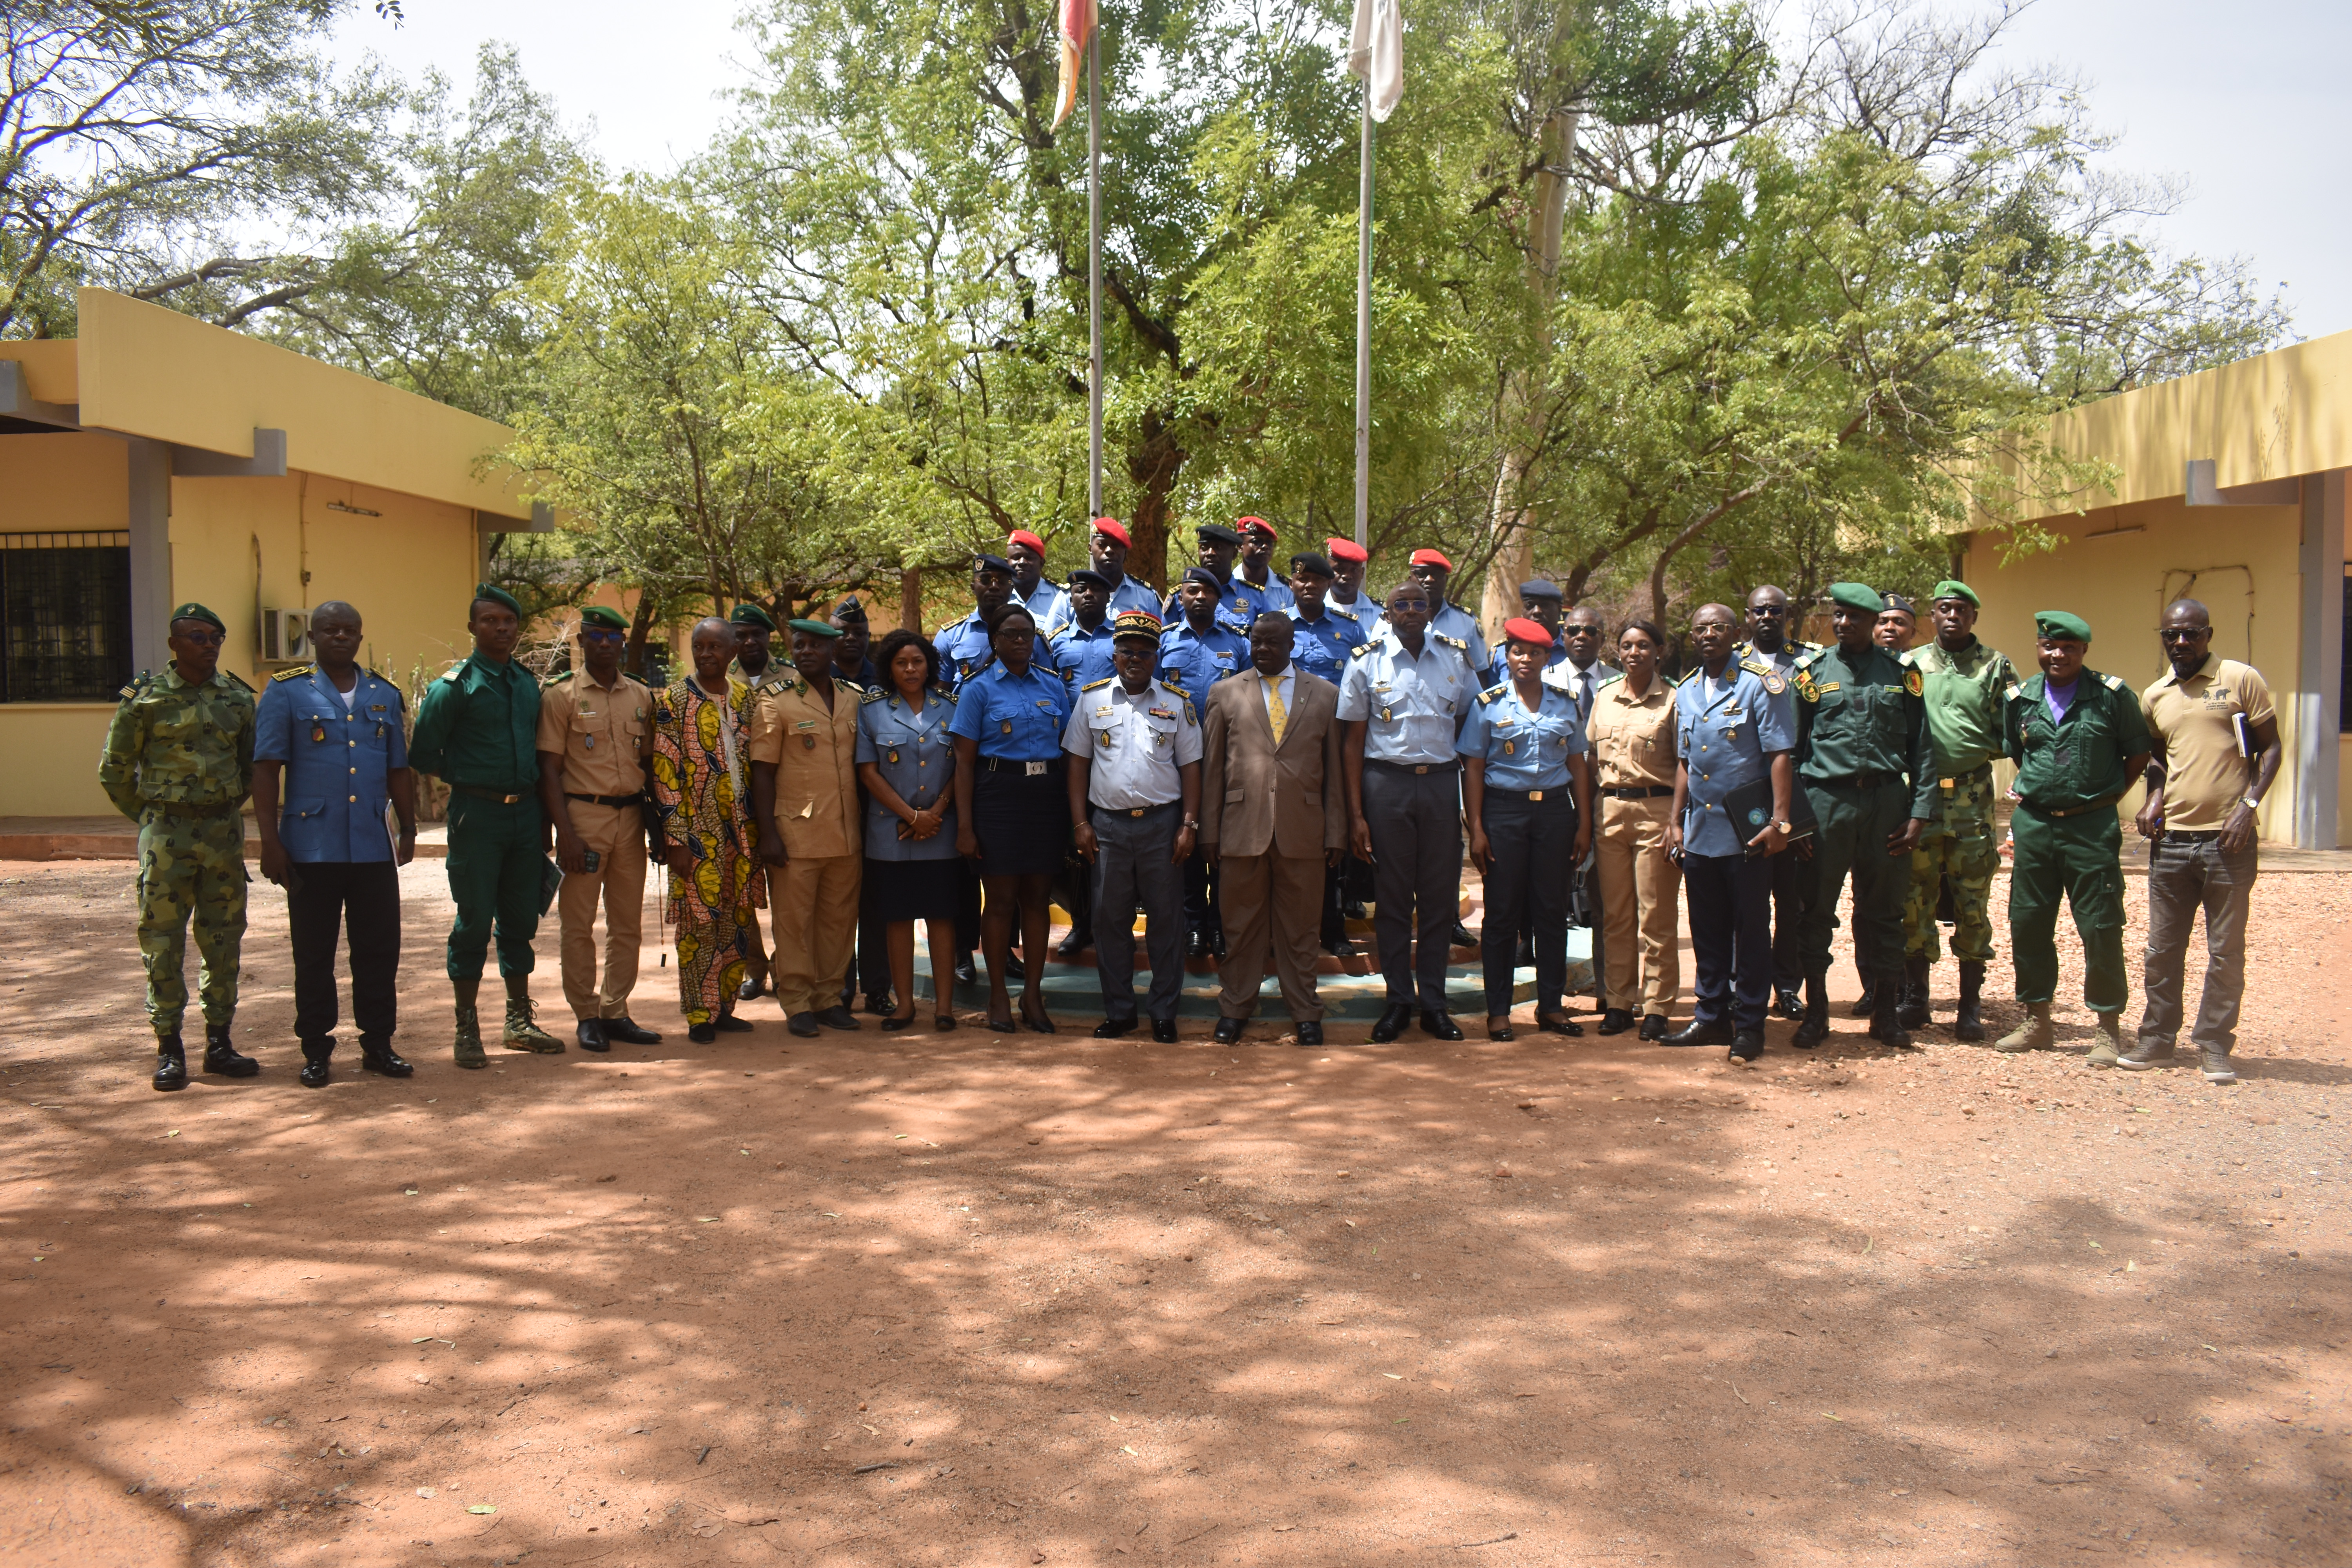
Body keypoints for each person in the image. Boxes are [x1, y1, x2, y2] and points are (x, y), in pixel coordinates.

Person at [252, 600, 418, 1085]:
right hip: (311, 846)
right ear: (314, 635)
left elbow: (397, 770)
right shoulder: (286, 693)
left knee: (378, 950)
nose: (341, 637)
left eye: (350, 630)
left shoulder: (383, 694)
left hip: (372, 846)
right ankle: (316, 1049)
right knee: (314, 952)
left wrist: (408, 829)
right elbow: (266, 769)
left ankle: (379, 1044)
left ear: (360, 638)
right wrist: (269, 841)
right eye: (330, 629)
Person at [101, 602, 259, 1091]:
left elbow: (251, 767)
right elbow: (114, 770)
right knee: (163, 942)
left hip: (222, 834)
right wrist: (152, 817)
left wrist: (221, 808)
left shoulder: (237, 698)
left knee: (224, 939)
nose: (209, 645)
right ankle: (169, 1048)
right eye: (197, 636)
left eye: (215, 637)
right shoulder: (144, 699)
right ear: (174, 644)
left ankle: (219, 1044)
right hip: (167, 837)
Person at [2125, 598, 2279, 1084]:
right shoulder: (2155, 695)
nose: (2181, 643)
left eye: (2191, 634)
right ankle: (2157, 1039)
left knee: (2225, 950)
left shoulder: (2239, 679)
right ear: (2164, 637)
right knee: (2162, 949)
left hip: (2228, 843)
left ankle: (2214, 1045)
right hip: (2171, 843)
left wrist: (2248, 809)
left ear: (2208, 634)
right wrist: (2153, 800)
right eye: (2172, 634)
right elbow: (2157, 758)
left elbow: (2272, 747)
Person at [410, 584, 561, 1066]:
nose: (501, 628)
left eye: (509, 621)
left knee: (520, 919)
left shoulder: (524, 683)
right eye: (491, 621)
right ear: (473, 627)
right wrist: (470, 776)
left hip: (525, 813)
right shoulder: (454, 687)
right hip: (478, 815)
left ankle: (518, 1021)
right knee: (475, 919)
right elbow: (424, 754)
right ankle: (466, 1027)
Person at [1995, 611, 2152, 1065]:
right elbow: (2020, 752)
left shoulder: (2111, 697)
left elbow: (2137, 753)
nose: (2057, 655)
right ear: (2039, 648)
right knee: (2028, 922)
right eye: (2049, 646)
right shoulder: (2020, 698)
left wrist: (2103, 797)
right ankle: (2037, 1020)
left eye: (2068, 648)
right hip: (2036, 824)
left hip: (2091, 827)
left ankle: (2106, 1028)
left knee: (2100, 925)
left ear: (2084, 651)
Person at [1789, 582, 1937, 1049]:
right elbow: (1790, 754)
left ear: (1875, 622)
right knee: (1815, 912)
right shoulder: (1810, 674)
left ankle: (1885, 1015)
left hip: (1886, 804)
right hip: (1826, 804)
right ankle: (1816, 1014)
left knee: (1886, 913)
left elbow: (1923, 749)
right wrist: (1795, 820)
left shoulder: (1901, 673)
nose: (1843, 623)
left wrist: (1920, 813)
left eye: (1855, 617)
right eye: (1838, 615)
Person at [1338, 581, 1479, 1042]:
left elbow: (1469, 727)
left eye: (1420, 603)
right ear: (1388, 611)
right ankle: (1398, 1001)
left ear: (1430, 610)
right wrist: (1356, 815)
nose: (1413, 610)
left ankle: (1434, 1005)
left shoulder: (1456, 658)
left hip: (1440, 784)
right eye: (1403, 604)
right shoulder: (1367, 660)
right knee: (1394, 901)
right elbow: (1353, 743)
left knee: (1438, 901)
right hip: (1387, 785)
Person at [1204, 612, 1345, 1045]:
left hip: (1303, 830)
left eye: (1272, 642)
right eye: (1256, 641)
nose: (1262, 648)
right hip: (1240, 829)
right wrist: (1209, 831)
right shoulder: (1225, 693)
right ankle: (1235, 1008)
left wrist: (1336, 830)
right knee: (1240, 926)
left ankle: (1306, 1012)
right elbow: (1212, 770)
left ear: (1292, 644)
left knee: (1301, 928)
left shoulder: (1325, 695)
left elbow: (1335, 771)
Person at [1666, 605, 1797, 1062]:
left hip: (1748, 832)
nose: (1708, 634)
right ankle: (1711, 1016)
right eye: (1700, 627)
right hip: (1701, 830)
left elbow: (1780, 753)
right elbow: (1686, 761)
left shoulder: (1761, 683)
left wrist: (1780, 821)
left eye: (1718, 627)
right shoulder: (1685, 691)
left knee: (1751, 929)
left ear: (1735, 633)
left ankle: (1750, 1024)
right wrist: (1675, 819)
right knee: (1707, 930)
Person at [1067, 610, 1200, 1042]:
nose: (1136, 659)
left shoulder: (1177, 703)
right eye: (1128, 652)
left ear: (1157, 655)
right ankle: (1120, 1011)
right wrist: (1081, 823)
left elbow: (1192, 769)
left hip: (1163, 825)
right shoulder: (1091, 700)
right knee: (1110, 922)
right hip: (1107, 827)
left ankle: (1164, 1013)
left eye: (1145, 652)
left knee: (1167, 921)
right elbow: (1077, 766)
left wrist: (1189, 825)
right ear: (1115, 654)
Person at [535, 604, 663, 1054]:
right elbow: (548, 770)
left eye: (613, 637)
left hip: (630, 819)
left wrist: (659, 827)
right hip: (583, 818)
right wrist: (564, 834)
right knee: (579, 924)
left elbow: (648, 762)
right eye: (595, 636)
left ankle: (616, 1009)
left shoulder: (642, 696)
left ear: (623, 644)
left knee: (628, 923)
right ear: (582, 642)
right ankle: (586, 1014)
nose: (605, 644)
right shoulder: (561, 696)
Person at [1459, 618, 1593, 1040]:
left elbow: (1578, 766)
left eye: (1535, 652)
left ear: (1547, 658)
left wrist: (1584, 823)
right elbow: (1474, 768)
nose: (1526, 659)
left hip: (1555, 814)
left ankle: (1551, 1007)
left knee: (1552, 912)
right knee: (1502, 914)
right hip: (1504, 814)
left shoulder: (1565, 702)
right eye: (1518, 651)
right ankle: (1498, 1011)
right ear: (1506, 655)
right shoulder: (1488, 703)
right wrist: (1476, 828)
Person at [1896, 581, 2014, 1040]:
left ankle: (1969, 1005)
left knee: (1972, 897)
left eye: (1961, 610)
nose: (1952, 616)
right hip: (1920, 797)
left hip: (1971, 797)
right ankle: (1917, 999)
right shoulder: (1912, 664)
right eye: (1944, 608)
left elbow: (2012, 731)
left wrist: (1970, 745)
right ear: (1933, 615)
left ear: (1973, 617)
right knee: (1916, 893)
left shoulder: (1995, 666)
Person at [951, 603, 1075, 1032]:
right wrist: (965, 827)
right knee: (1001, 901)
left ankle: (1034, 996)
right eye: (1011, 634)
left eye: (1027, 634)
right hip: (997, 797)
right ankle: (998, 995)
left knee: (1038, 898)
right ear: (995, 640)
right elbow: (964, 764)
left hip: (1045, 797)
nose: (1021, 641)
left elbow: (1069, 748)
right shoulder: (978, 690)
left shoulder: (1053, 686)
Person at [748, 618, 865, 1038]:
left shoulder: (855, 699)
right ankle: (796, 1000)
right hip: (795, 833)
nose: (806, 652)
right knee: (794, 922)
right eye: (799, 645)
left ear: (833, 651)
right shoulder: (775, 701)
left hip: (847, 831)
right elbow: (762, 772)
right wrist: (768, 833)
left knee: (838, 920)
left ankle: (829, 998)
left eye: (816, 645)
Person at [650, 619, 762, 1042]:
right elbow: (665, 774)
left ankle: (725, 1006)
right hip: (698, 832)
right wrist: (677, 839)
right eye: (700, 646)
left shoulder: (747, 699)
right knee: (698, 924)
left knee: (736, 918)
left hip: (742, 832)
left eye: (716, 646)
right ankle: (699, 1013)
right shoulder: (674, 700)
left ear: (733, 649)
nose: (706, 654)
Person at [856, 628, 964, 1033]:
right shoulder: (872, 709)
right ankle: (904, 1006)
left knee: (941, 916)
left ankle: (945, 1008)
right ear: (889, 668)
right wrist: (912, 816)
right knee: (897, 918)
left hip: (942, 829)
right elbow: (868, 773)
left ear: (930, 664)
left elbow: (960, 767)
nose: (911, 668)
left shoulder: (951, 707)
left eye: (918, 661)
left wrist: (935, 812)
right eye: (901, 662)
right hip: (890, 832)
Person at [1585, 621, 1680, 1039]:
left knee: (1655, 916)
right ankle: (1620, 1002)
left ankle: (1658, 1006)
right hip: (1610, 812)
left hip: (1656, 811)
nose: (1634, 652)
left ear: (1660, 651)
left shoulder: (1674, 699)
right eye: (1626, 646)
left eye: (1643, 645)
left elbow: (1686, 763)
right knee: (1616, 915)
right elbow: (1590, 754)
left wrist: (1677, 821)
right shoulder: (1605, 696)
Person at [1159, 566, 1252, 959]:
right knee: (1188, 846)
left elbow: (1250, 696)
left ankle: (1219, 925)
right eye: (1192, 591)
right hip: (1173, 758)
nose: (1199, 598)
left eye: (1207, 593)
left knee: (1224, 845)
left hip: (1224, 756)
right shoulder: (1165, 641)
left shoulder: (1238, 643)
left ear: (1218, 599)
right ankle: (1194, 925)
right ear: (1181, 597)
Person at [1738, 583, 1819, 1019]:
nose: (1768, 617)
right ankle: (1743, 983)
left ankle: (1787, 986)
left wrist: (1799, 820)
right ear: (1747, 616)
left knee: (1790, 901)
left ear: (1787, 615)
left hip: (1797, 795)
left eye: (1776, 611)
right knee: (1745, 899)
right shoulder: (1731, 663)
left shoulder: (1808, 663)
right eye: (1760, 611)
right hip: (1747, 798)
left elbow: (1814, 736)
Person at [727, 601, 790, 1003]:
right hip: (733, 802)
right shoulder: (717, 676)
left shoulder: (791, 677)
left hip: (785, 797)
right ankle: (755, 968)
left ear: (769, 637)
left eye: (757, 634)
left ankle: (786, 968)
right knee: (741, 894)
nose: (749, 641)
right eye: (741, 635)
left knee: (788, 892)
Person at [936, 554, 1023, 690]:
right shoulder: (949, 636)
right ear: (973, 588)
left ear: (1012, 589)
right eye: (985, 580)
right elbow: (939, 695)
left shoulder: (1029, 636)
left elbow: (1044, 687)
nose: (994, 586)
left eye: (1002, 581)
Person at [1163, 522, 1259, 633]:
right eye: (1204, 548)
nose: (1210, 553)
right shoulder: (1180, 596)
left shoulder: (1254, 596)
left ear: (1234, 554)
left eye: (1218, 548)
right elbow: (1165, 641)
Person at [1047, 569, 1120, 688]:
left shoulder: (1122, 636)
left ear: (1108, 598)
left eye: (1096, 590)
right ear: (1071, 601)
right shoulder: (1056, 642)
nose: (1088, 594)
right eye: (1081, 590)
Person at [1086, 516, 1163, 619]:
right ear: (1090, 549)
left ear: (1125, 553)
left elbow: (1163, 634)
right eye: (1102, 544)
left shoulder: (1147, 597)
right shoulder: (1072, 596)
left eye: (1116, 546)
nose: (1109, 550)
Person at [1007, 528, 1069, 632]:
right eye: (1016, 557)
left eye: (1029, 558)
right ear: (1006, 563)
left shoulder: (1060, 597)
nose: (1022, 562)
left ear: (1041, 563)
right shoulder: (999, 597)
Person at [1323, 536, 1385, 642]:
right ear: (1327, 571)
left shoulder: (1379, 615)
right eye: (1339, 569)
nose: (1347, 576)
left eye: (1354, 570)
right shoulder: (1314, 610)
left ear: (1362, 573)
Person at [1234, 516, 1296, 612]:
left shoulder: (1284, 589)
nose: (1265, 546)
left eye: (1270, 543)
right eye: (1257, 542)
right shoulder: (1228, 586)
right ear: (1240, 547)